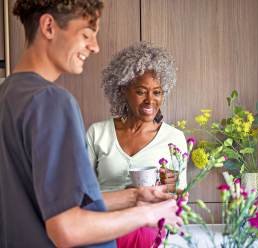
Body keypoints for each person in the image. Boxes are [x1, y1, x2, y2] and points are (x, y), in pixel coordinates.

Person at [0, 1, 182, 247]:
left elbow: (54, 205)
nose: (95, 47)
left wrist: (136, 196)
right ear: (49, 26)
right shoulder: (51, 102)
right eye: (86, 34)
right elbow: (67, 228)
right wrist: (148, 214)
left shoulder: (7, 94)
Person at [87, 41, 188, 248]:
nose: (150, 100)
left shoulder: (174, 139)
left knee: (143, 233)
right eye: (141, 91)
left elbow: (180, 201)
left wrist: (167, 193)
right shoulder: (97, 133)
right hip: (103, 225)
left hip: (148, 228)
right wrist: (129, 195)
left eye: (157, 92)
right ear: (123, 90)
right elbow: (81, 196)